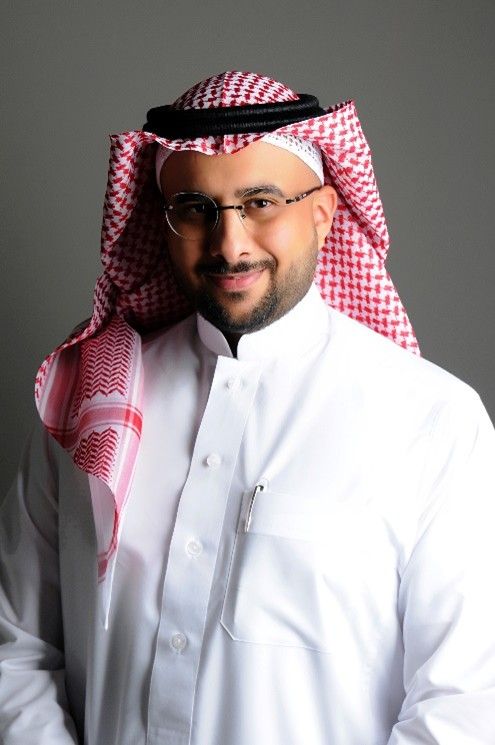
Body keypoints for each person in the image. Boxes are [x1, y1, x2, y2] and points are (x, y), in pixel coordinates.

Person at [0, 71, 494, 745]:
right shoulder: (88, 399)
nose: (229, 244)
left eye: (261, 202)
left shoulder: (431, 420)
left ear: (322, 211)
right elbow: (17, 647)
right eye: (195, 208)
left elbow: (464, 704)